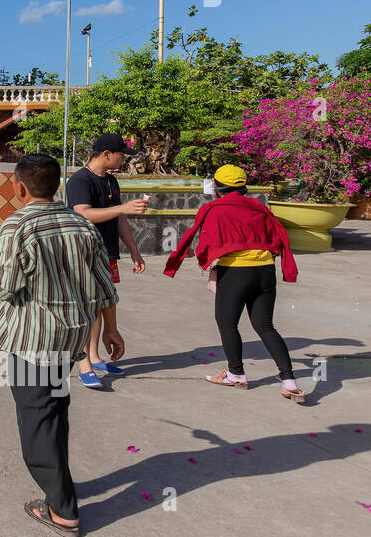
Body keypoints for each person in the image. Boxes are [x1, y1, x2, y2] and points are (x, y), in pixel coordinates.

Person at [0, 154, 121, 537]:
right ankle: (60, 483)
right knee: (54, 407)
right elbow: (105, 285)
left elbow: (4, 286)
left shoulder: (18, 225)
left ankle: (62, 510)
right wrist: (111, 330)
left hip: (34, 339)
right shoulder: (81, 223)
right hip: (71, 337)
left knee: (37, 417)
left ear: (20, 187)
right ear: (57, 184)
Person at [164, 164, 305, 401]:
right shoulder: (259, 208)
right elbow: (276, 236)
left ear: (217, 187)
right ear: (243, 187)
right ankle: (289, 381)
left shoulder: (214, 209)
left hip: (236, 272)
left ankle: (236, 374)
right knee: (265, 326)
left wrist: (185, 255)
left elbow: (205, 247)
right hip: (265, 270)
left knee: (227, 323)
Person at [64, 133, 148, 388]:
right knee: (86, 306)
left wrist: (134, 250)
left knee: (101, 302)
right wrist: (122, 209)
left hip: (107, 252)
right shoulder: (79, 181)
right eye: (121, 154)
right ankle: (83, 364)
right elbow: (83, 214)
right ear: (106, 154)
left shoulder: (111, 181)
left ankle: (94, 355)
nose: (123, 158)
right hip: (83, 252)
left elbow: (120, 219)